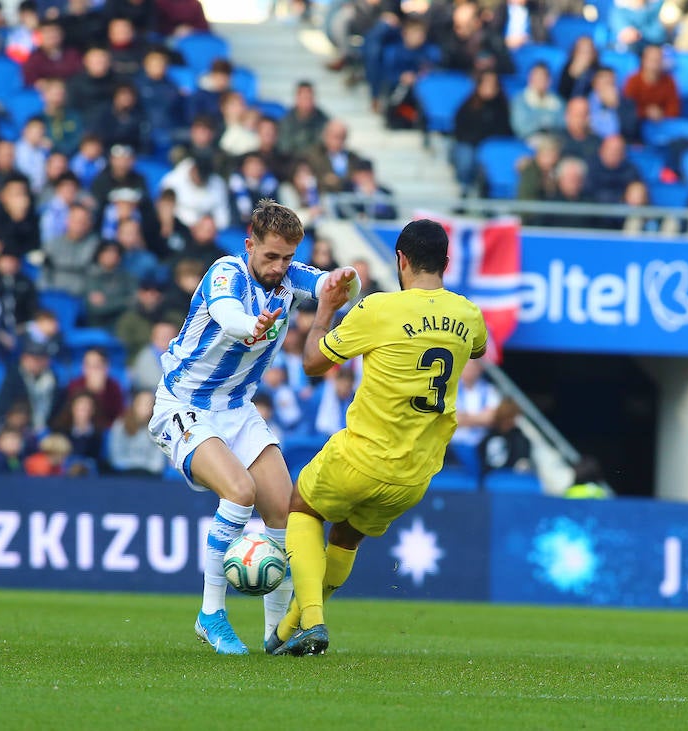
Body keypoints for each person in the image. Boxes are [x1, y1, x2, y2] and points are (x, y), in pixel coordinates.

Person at [147, 200, 360, 655]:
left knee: (284, 508)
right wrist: (253, 324)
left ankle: (273, 633)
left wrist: (345, 280)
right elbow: (227, 314)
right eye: (271, 257)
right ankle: (211, 615)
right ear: (250, 246)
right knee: (240, 492)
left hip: (237, 410)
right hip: (185, 405)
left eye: (287, 257)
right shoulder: (226, 272)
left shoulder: (286, 275)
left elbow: (328, 284)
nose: (279, 267)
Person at [270, 219, 487, 657]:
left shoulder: (379, 310)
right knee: (347, 536)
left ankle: (312, 620)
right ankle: (288, 628)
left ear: (401, 260)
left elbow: (312, 363)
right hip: (414, 475)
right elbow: (477, 348)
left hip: (361, 457)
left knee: (302, 507)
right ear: (446, 262)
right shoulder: (469, 315)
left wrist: (327, 309)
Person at [107, 390, 165, 475]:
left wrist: (143, 468)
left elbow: (158, 462)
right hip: (123, 475)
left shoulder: (158, 429)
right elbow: (115, 457)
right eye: (142, 403)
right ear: (134, 404)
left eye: (149, 404)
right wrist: (135, 466)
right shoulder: (120, 426)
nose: (146, 407)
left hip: (150, 477)